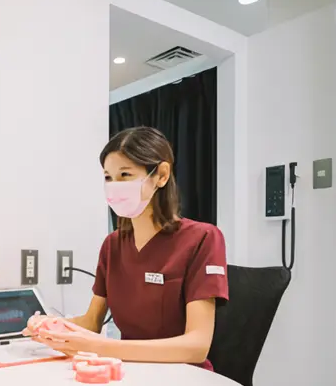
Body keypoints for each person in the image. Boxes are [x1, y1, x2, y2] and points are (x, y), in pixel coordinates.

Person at [30, 126, 228, 368]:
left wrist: (99, 346)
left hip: (184, 379)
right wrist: (52, 328)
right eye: (108, 177)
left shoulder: (203, 238)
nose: (115, 185)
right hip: (129, 373)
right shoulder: (112, 245)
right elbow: (92, 322)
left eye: (125, 175)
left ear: (161, 175)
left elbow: (196, 347)